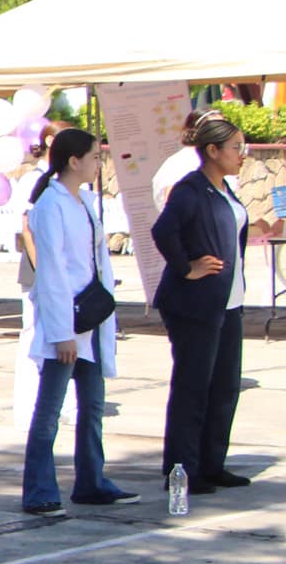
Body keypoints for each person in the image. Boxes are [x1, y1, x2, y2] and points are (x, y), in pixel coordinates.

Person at [20, 129, 135, 516]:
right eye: (95, 156)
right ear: (74, 160)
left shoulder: (84, 201)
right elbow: (51, 271)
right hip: (66, 323)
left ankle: (91, 481)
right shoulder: (50, 205)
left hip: (92, 318)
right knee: (49, 411)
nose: (99, 163)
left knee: (93, 406)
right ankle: (39, 490)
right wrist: (62, 332)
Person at [151, 110, 253, 496]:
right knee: (193, 386)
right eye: (235, 148)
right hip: (194, 304)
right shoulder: (190, 189)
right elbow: (163, 230)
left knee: (225, 386)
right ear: (212, 150)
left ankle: (212, 464)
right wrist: (186, 266)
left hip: (229, 302)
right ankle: (182, 469)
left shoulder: (225, 189)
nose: (242, 154)